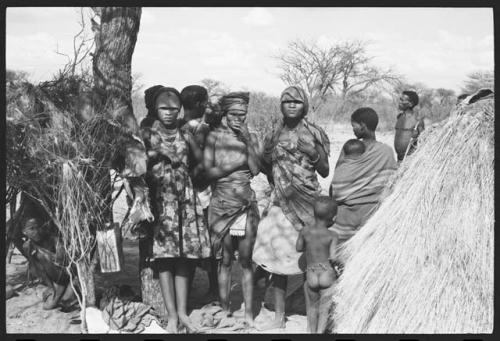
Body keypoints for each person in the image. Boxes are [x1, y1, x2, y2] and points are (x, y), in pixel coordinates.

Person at [253, 86, 330, 330]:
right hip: (281, 203)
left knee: (314, 263)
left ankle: (312, 320)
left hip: (309, 204)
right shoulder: (273, 133)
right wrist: (279, 178)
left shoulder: (315, 132)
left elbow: (325, 170)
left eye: (297, 101)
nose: (292, 105)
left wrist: (313, 153)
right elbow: (265, 165)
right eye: (287, 101)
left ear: (304, 105)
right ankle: (279, 317)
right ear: (281, 105)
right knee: (278, 263)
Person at [140, 86, 211, 333]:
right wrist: (156, 152)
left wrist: (191, 145)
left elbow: (201, 163)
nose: (169, 113)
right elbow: (134, 163)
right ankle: (171, 316)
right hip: (161, 200)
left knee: (184, 258)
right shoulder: (146, 132)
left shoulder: (185, 132)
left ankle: (182, 312)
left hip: (184, 200)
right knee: (165, 259)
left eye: (173, 108)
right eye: (163, 108)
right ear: (155, 109)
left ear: (179, 108)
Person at [204, 92, 261, 326]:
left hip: (245, 204)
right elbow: (208, 173)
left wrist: (248, 142)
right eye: (234, 114)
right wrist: (236, 163)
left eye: (243, 115)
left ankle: (248, 314)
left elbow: (256, 170)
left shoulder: (251, 137)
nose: (239, 119)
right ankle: (225, 308)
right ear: (225, 115)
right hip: (221, 203)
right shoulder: (213, 138)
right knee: (225, 260)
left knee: (246, 260)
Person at [330, 107, 397, 245]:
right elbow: (390, 184)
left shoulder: (349, 148)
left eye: (353, 126)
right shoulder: (386, 151)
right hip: (372, 214)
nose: (352, 130)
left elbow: (338, 178)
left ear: (362, 126)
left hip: (346, 215)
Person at [179, 85, 218, 300]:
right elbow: (202, 163)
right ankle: (212, 288)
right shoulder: (201, 129)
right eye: (205, 101)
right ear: (199, 104)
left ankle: (190, 288)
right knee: (207, 242)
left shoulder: (177, 126)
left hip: (183, 192)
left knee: (189, 241)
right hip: (201, 192)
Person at [296, 196, 338, 333]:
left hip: (311, 274)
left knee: (312, 309)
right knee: (324, 310)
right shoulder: (333, 235)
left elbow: (298, 248)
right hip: (326, 273)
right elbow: (333, 257)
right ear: (333, 218)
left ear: (314, 214)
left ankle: (311, 333)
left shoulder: (305, 231)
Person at [394, 90, 425, 162]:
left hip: (410, 160)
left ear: (410, 104)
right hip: (399, 159)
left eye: (402, 100)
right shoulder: (399, 117)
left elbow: (423, 141)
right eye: (400, 99)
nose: (399, 102)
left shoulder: (417, 120)